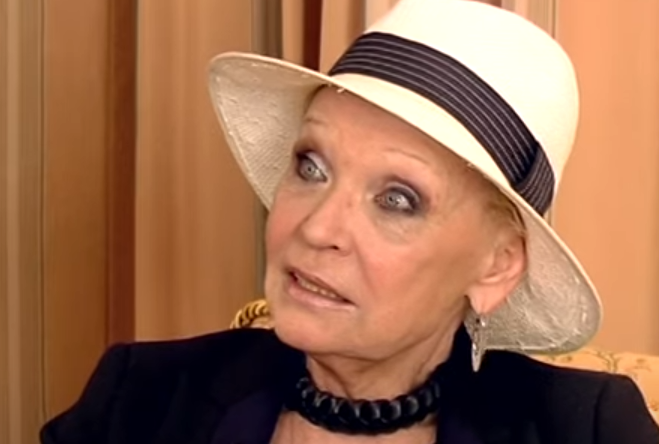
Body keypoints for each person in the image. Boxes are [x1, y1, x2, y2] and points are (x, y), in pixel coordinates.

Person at [41, 0, 659, 443]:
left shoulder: (588, 426)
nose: (316, 229)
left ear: (496, 265)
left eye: (398, 199)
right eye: (311, 167)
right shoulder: (139, 397)